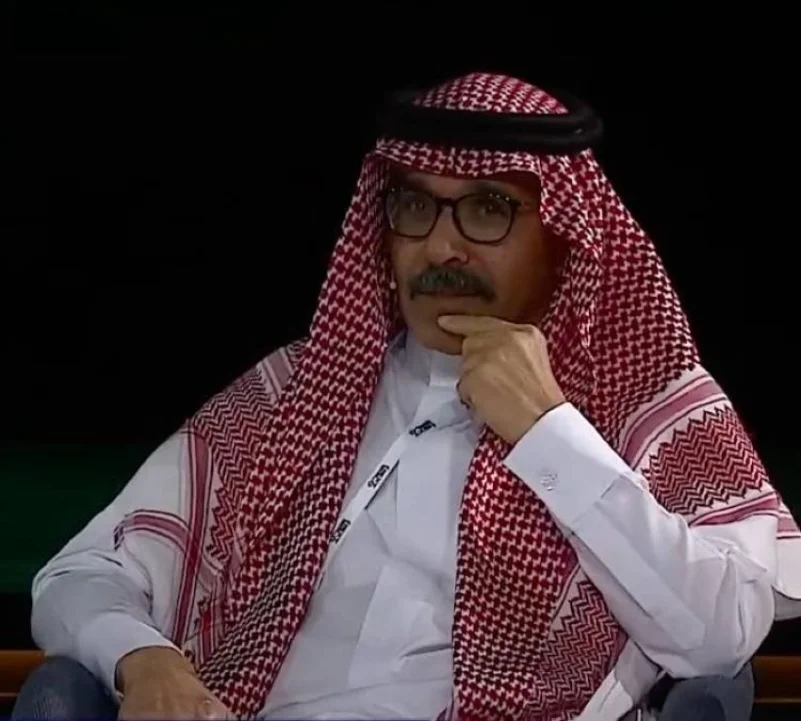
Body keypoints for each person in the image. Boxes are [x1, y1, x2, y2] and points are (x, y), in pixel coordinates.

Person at [17, 73, 801, 721]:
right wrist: (145, 659)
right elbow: (80, 574)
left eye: (488, 208)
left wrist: (548, 431)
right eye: (416, 206)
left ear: (563, 235)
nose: (441, 246)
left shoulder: (639, 405)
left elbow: (718, 637)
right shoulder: (293, 394)